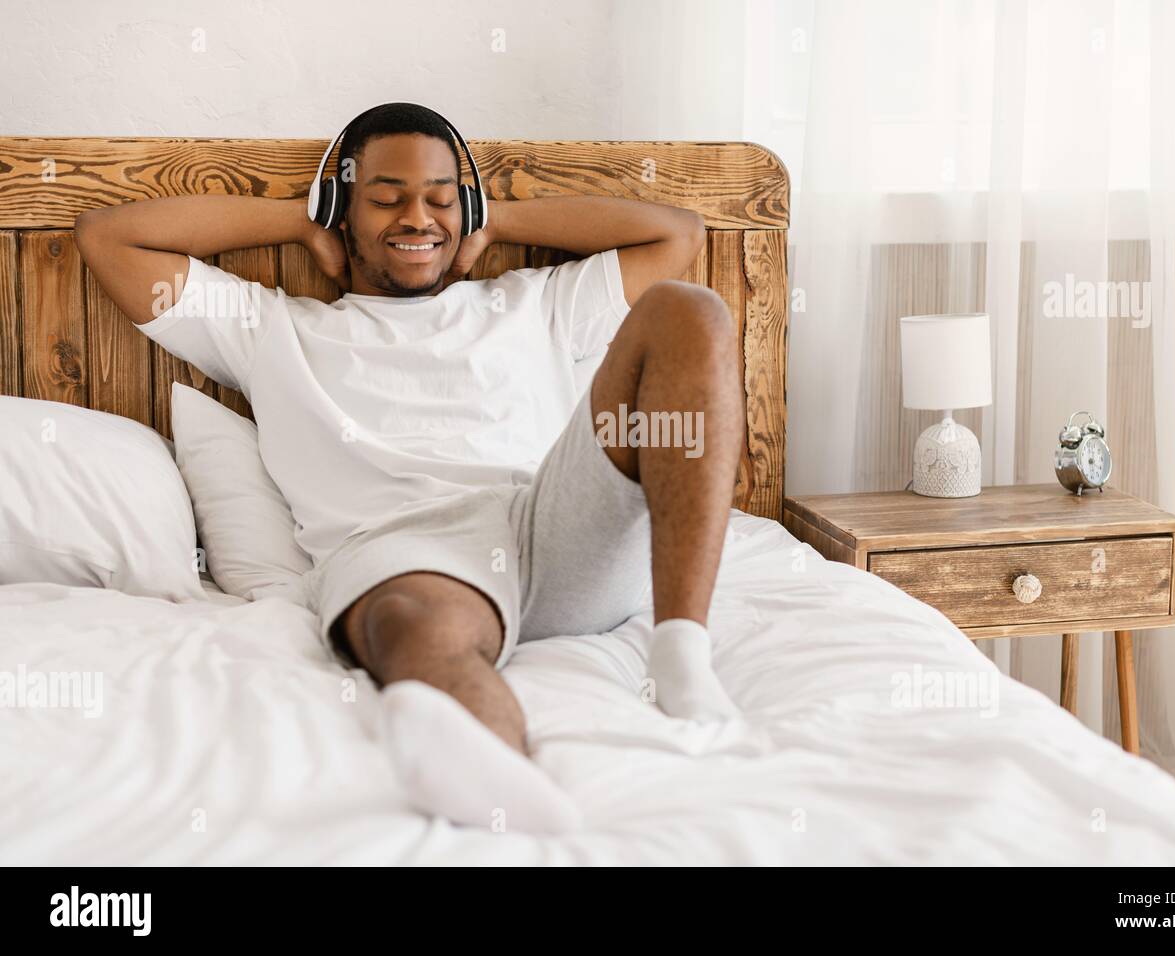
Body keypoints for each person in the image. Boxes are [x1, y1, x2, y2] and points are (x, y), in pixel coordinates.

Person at [75, 102, 744, 833]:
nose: (416, 217)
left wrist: (502, 223)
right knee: (421, 627)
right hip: (404, 553)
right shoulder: (270, 330)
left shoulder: (532, 304)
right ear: (341, 209)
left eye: (439, 196)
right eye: (386, 198)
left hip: (549, 530)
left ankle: (683, 648)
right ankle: (515, 811)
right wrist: (297, 221)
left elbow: (679, 234)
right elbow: (109, 237)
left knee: (691, 312)